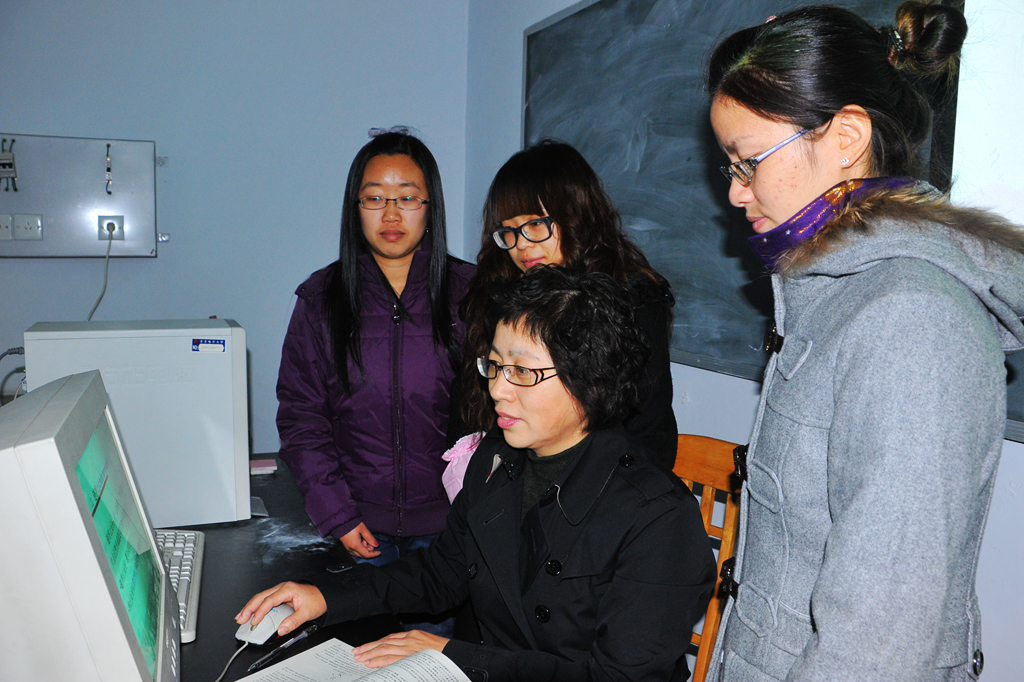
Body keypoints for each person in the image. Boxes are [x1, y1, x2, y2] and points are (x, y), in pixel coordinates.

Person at [705, 3, 1024, 680]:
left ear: (846, 136)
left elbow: (879, 647)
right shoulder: (828, 294)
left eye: (747, 163)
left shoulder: (912, 322)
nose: (736, 193)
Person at [240, 266, 717, 682]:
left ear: (590, 379)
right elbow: (440, 573)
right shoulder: (497, 459)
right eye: (494, 365)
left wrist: (454, 655)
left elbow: (617, 677)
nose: (498, 390)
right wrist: (327, 597)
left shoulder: (658, 518)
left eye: (523, 372)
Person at [275, 129, 474, 633]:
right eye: (375, 198)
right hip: (358, 530)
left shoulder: (472, 294)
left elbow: (498, 415)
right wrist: (336, 514)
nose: (391, 215)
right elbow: (302, 417)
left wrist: (474, 514)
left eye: (407, 198)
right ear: (355, 206)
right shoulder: (321, 299)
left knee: (429, 662)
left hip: (450, 536)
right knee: (359, 658)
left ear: (430, 206)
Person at [453, 140, 679, 472]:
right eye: (509, 231)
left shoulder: (632, 299)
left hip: (608, 483)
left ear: (576, 215)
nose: (521, 245)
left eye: (535, 224)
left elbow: (649, 430)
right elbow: (471, 407)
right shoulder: (503, 294)